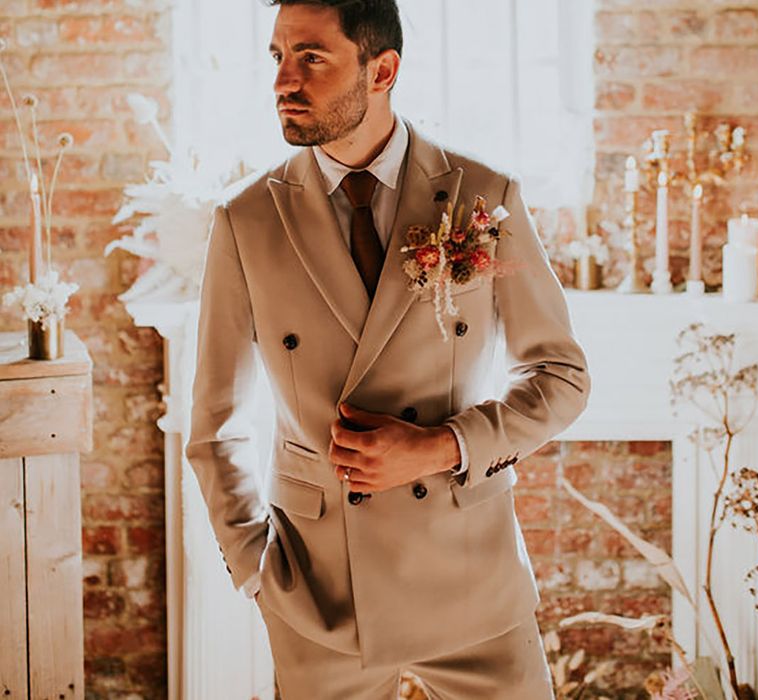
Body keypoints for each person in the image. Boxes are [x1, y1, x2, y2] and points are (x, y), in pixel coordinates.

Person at [184, 0, 591, 697]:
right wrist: (252, 564)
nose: (284, 79)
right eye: (277, 56)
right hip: (320, 597)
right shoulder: (247, 219)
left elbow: (561, 377)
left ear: (383, 70)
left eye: (311, 57)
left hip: (472, 583)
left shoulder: (483, 197)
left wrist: (438, 449)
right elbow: (214, 423)